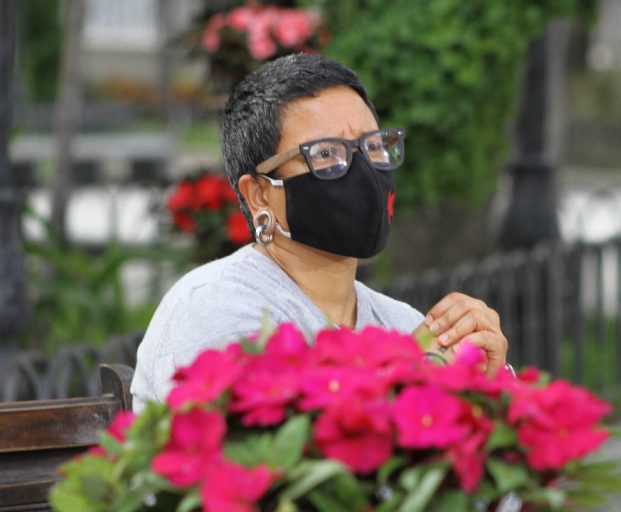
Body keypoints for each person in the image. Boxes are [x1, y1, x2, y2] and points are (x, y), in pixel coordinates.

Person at [131, 54, 508, 412]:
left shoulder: (400, 324)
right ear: (260, 194)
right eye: (326, 153)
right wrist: (418, 371)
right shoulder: (215, 307)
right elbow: (272, 443)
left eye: (374, 146)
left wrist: (487, 383)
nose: (363, 170)